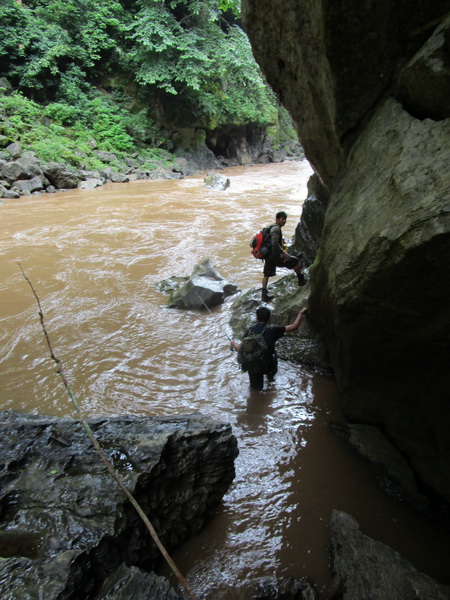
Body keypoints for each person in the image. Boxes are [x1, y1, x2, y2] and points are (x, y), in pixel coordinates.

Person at [230, 305, 309, 390]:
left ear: (257, 317)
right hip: (269, 365)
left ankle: (255, 399)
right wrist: (301, 313)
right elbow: (294, 326)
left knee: (255, 390)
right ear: (269, 318)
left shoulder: (249, 331)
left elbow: (240, 348)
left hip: (253, 366)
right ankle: (271, 383)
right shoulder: (273, 330)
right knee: (271, 379)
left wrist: (233, 344)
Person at [261, 211, 305, 302]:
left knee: (266, 274)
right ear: (277, 219)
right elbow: (274, 243)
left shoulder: (271, 227)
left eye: (285, 219)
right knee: (294, 261)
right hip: (275, 256)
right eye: (282, 219)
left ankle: (264, 294)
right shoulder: (276, 229)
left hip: (268, 256)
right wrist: (284, 253)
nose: (284, 221)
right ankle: (301, 280)